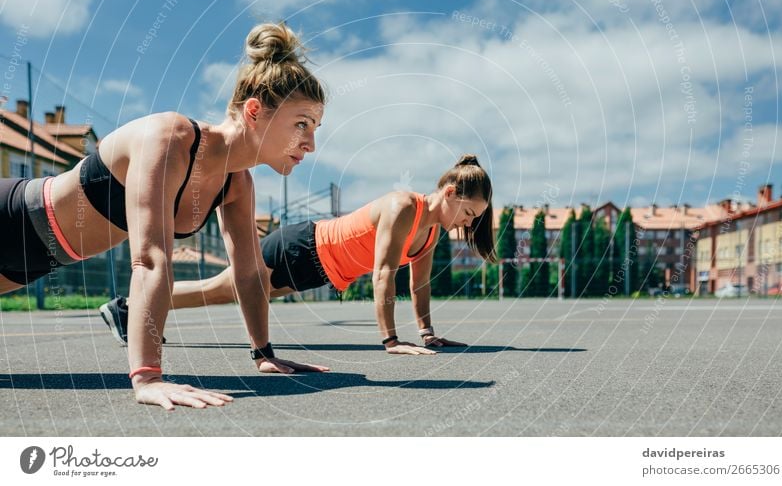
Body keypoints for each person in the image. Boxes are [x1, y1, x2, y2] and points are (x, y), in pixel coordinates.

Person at [0, 22, 329, 410]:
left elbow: (249, 270)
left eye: (315, 128)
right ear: (254, 111)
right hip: (12, 218)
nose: (310, 143)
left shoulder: (237, 185)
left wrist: (264, 353)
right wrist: (148, 377)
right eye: (301, 124)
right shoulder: (172, 139)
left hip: (33, 263)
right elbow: (151, 259)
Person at [100, 155, 496, 357]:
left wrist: (426, 333)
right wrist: (390, 340)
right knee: (224, 289)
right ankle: (130, 307)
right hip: (301, 248)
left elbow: (418, 284)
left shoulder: (429, 233)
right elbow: (383, 274)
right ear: (448, 193)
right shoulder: (403, 207)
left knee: (222, 291)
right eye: (467, 212)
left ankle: (131, 309)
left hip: (317, 269)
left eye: (472, 219)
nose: (465, 223)